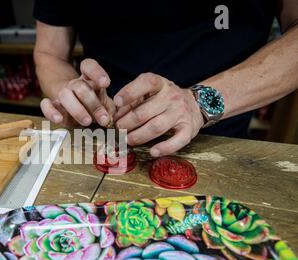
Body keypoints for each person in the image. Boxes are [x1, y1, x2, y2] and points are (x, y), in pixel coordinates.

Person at [33, 0, 298, 157]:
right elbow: (49, 53)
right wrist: (70, 94)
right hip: (101, 141)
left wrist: (198, 104)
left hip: (219, 141)